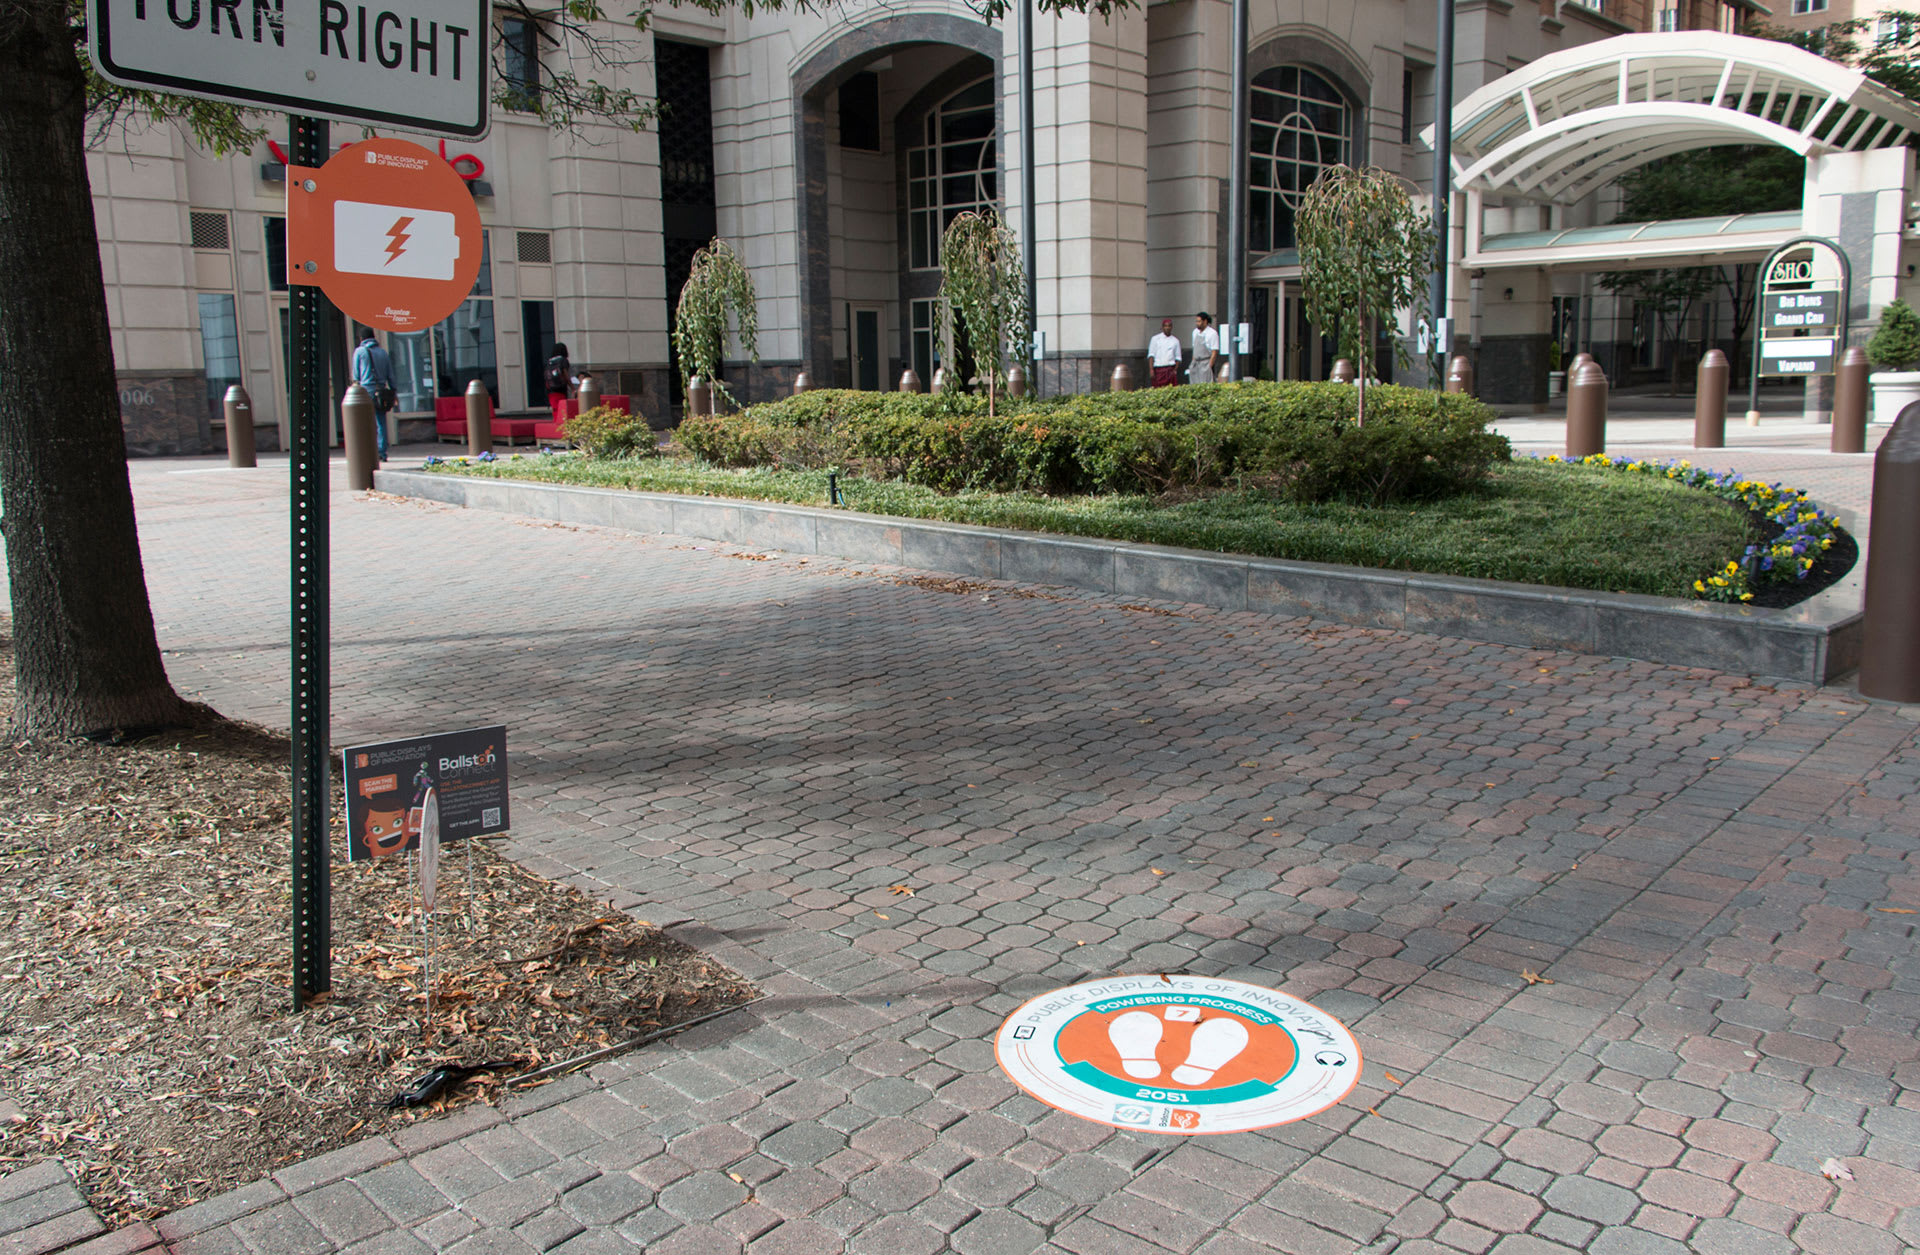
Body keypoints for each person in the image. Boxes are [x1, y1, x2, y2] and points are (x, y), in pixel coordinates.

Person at [350, 328, 395, 461]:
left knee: (364, 422)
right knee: (380, 421)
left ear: (361, 338)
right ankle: (382, 452)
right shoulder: (383, 353)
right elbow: (390, 374)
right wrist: (394, 390)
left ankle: (367, 451)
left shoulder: (359, 352)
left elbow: (356, 375)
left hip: (365, 391)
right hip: (381, 391)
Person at [1147, 318, 1182, 387]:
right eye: (1165, 326)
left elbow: (1178, 358)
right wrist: (1151, 370)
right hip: (1158, 370)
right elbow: (1151, 355)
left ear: (1171, 327)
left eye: (1169, 326)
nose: (1167, 328)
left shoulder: (1175, 341)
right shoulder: (1155, 339)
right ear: (1162, 327)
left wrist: (1174, 370)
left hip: (1170, 370)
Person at [1190, 313, 1220, 384]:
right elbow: (1195, 349)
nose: (1197, 323)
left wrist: (1209, 366)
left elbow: (1214, 352)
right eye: (1196, 321)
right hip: (1196, 363)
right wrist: (1192, 363)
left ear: (1205, 321)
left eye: (1199, 321)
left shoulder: (1212, 333)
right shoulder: (1195, 332)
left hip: (1206, 362)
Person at [545, 342, 572, 414]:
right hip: (561, 390)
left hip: (551, 391)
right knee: (562, 410)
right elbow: (566, 375)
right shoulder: (563, 360)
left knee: (555, 410)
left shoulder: (549, 361)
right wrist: (573, 388)